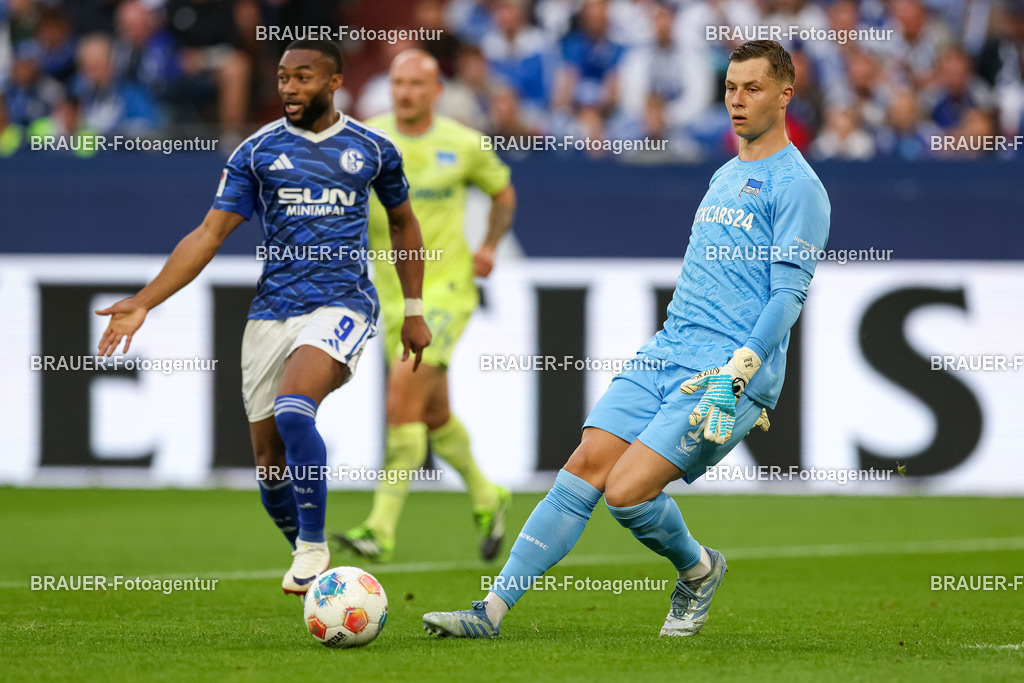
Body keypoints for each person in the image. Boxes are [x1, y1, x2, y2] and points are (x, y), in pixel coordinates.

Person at [422, 40, 830, 638]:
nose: (737, 101)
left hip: (728, 370)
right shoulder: (725, 173)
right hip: (668, 350)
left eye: (753, 89)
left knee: (627, 492)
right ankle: (490, 612)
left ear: (785, 95)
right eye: (730, 88)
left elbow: (787, 296)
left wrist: (740, 369)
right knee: (583, 466)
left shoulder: (798, 187)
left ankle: (697, 570)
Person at [94, 39, 431, 595]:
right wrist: (145, 300)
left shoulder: (373, 148)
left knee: (296, 411)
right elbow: (209, 233)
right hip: (272, 312)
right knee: (270, 467)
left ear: (333, 83)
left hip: (343, 302)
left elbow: (403, 223)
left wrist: (413, 308)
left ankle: (314, 546)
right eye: (281, 78)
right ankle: (308, 554)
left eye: (302, 78)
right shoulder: (256, 152)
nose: (289, 89)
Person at [335, 49, 516, 563]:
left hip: (445, 294)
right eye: (398, 82)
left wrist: (488, 247)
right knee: (433, 412)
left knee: (401, 398)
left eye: (417, 83)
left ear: (437, 91)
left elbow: (503, 195)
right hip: (392, 298)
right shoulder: (365, 138)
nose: (406, 92)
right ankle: (487, 494)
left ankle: (380, 527)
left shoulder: (464, 144)